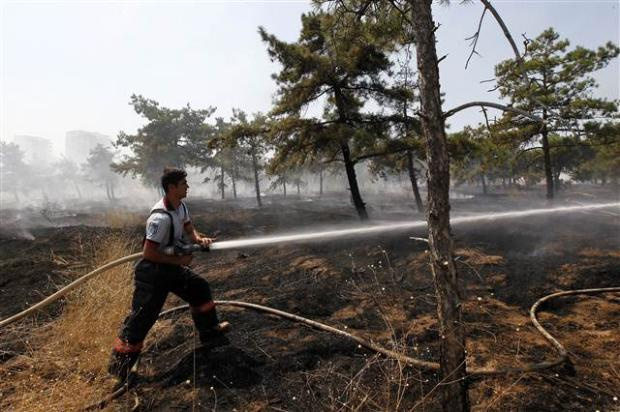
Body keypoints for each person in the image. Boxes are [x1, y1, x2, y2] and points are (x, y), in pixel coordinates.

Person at [108, 167, 230, 382]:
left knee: (199, 288)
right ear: (172, 187)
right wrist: (180, 261)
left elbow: (189, 228)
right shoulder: (160, 218)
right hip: (153, 272)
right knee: (142, 317)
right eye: (184, 184)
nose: (188, 186)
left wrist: (198, 239)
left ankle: (210, 332)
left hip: (170, 267)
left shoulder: (180, 206)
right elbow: (149, 253)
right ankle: (120, 368)